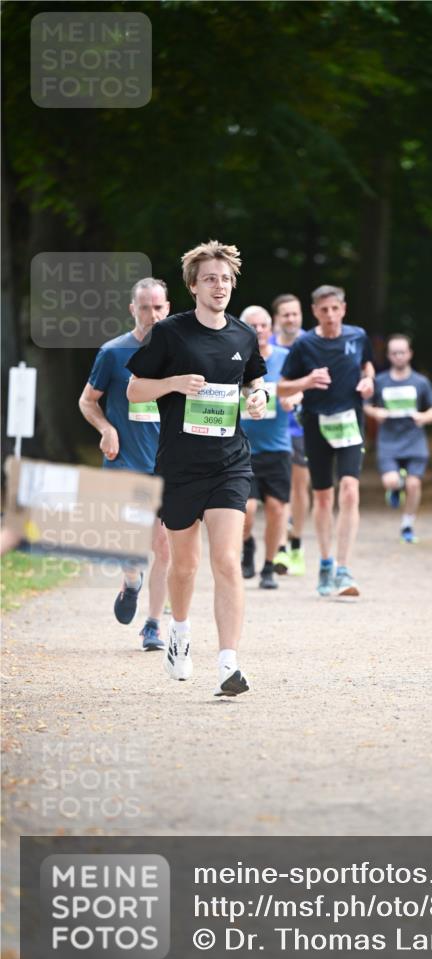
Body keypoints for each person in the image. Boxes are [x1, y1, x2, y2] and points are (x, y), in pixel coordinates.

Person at [126, 241, 268, 696]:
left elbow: (255, 381)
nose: (219, 285)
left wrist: (259, 396)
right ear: (193, 286)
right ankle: (180, 634)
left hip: (230, 463)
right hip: (180, 466)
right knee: (184, 566)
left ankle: (229, 663)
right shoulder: (170, 333)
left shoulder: (244, 335)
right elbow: (133, 390)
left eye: (226, 279)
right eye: (210, 278)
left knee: (227, 561)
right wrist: (172, 383)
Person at [78, 278, 171, 651]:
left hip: (166, 464)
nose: (152, 314)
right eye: (145, 307)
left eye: (159, 307)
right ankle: (131, 581)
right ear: (133, 309)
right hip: (125, 462)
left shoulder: (177, 353)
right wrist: (106, 428)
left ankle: (153, 625)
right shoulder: (113, 353)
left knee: (163, 546)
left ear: (168, 308)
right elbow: (87, 401)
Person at [278, 284, 375, 597]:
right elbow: (282, 386)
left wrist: (369, 380)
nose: (330, 315)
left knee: (349, 491)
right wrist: (307, 381)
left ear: (343, 309)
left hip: (350, 423)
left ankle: (344, 569)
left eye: (335, 309)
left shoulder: (358, 336)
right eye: (324, 310)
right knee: (322, 497)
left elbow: (367, 365)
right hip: (316, 425)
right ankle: (324, 561)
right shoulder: (305, 344)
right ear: (315, 312)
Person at [239, 305, 297, 590]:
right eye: (252, 326)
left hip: (277, 448)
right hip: (243, 448)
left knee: (276, 509)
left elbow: (297, 388)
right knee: (246, 511)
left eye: (263, 325)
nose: (259, 330)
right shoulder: (235, 359)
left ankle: (269, 566)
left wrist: (293, 398)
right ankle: (247, 544)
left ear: (271, 328)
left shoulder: (286, 359)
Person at [363, 333, 432, 543]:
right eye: (394, 353)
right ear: (389, 356)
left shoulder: (421, 382)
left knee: (414, 485)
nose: (399, 356)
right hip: (388, 441)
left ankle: (407, 525)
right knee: (391, 480)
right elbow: (366, 406)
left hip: (415, 440)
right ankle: (396, 487)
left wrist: (423, 417)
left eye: (402, 352)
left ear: (410, 354)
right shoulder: (380, 381)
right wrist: (376, 413)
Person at [269, 293, 309, 577]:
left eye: (295, 314)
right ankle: (281, 547)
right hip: (273, 428)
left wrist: (297, 396)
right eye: (286, 314)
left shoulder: (311, 343)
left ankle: (296, 542)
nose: (291, 319)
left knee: (299, 486)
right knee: (280, 491)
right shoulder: (265, 347)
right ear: (276, 319)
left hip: (303, 427)